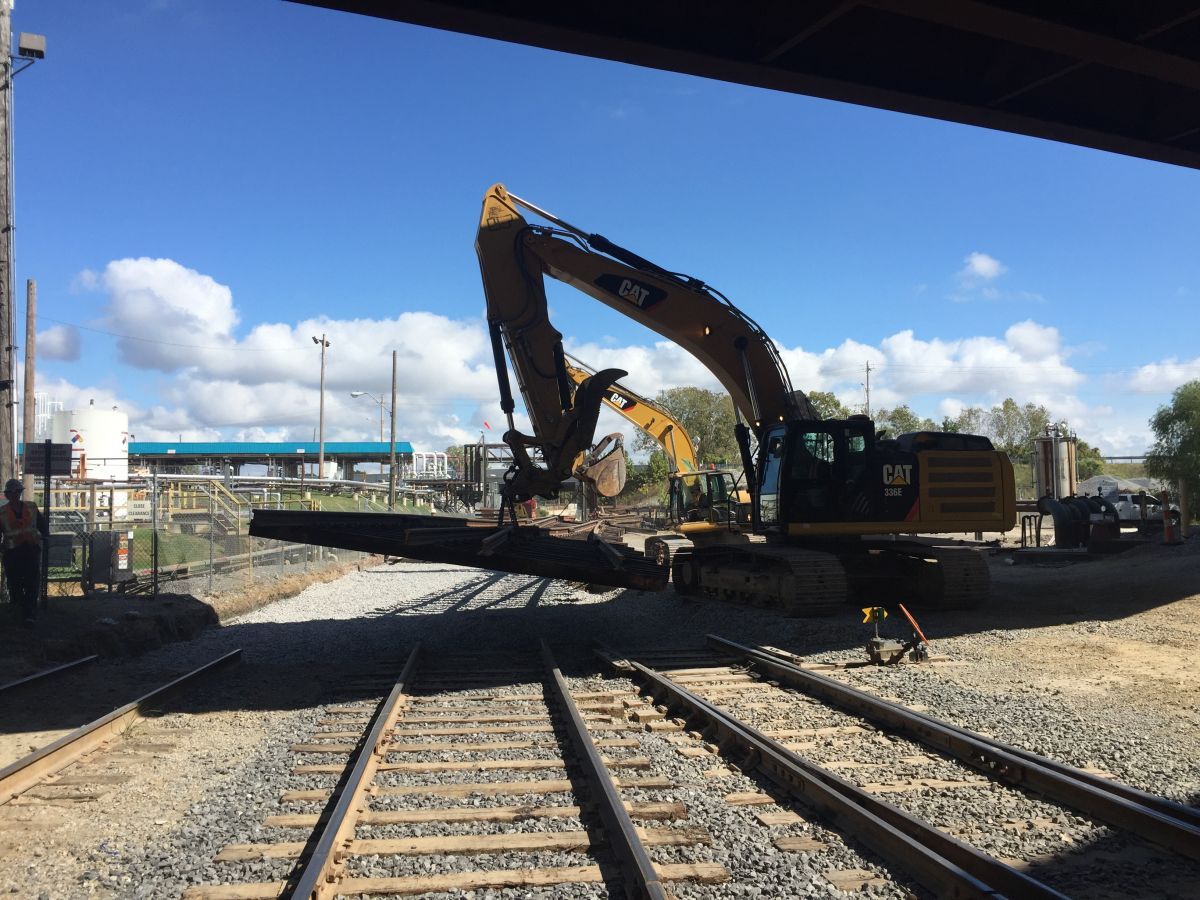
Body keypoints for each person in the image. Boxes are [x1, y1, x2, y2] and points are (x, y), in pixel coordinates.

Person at [1, 478, 42, 627]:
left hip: (30, 551)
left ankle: (29, 615)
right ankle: (20, 612)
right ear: (8, 495)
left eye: (17, 492)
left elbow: (42, 526)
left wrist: (44, 539)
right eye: (12, 492)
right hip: (13, 554)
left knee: (32, 584)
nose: (15, 495)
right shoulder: (2, 512)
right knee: (15, 584)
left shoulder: (31, 507)